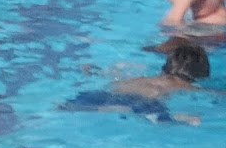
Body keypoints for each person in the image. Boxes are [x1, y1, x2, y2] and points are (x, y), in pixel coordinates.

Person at [60, 41, 210, 125]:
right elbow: (211, 93)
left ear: (166, 65)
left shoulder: (143, 78)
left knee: (66, 108)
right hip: (144, 104)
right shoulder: (184, 85)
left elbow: (111, 76)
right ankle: (180, 118)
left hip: (104, 94)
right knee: (163, 120)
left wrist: (93, 72)